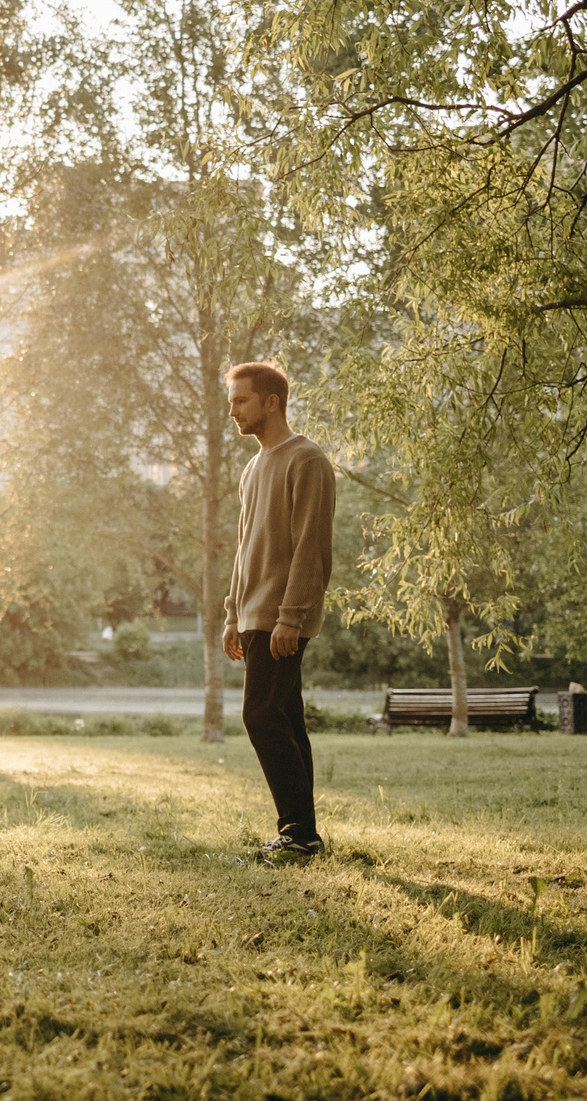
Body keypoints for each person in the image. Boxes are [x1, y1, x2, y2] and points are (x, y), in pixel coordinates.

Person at [218, 362, 335, 863]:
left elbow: (312, 544)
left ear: (272, 402)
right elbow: (245, 547)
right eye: (231, 402)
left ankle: (299, 834)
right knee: (285, 717)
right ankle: (302, 834)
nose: (233, 411)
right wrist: (231, 614)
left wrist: (291, 614)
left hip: (281, 615)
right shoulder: (252, 467)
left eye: (241, 401)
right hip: (254, 614)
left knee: (260, 715)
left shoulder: (306, 459)